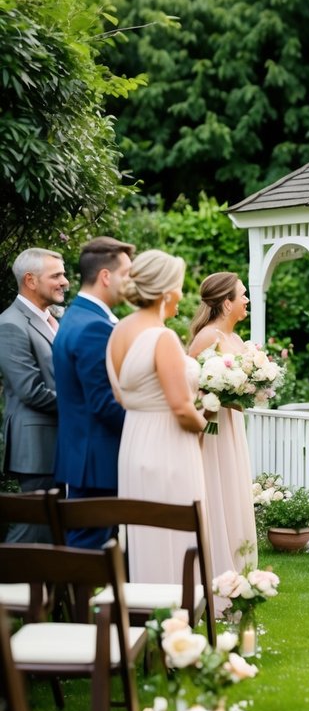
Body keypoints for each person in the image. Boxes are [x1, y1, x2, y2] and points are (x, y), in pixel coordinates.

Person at [106, 250, 209, 583]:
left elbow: (122, 396)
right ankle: (175, 616)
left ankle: (148, 613)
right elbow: (180, 408)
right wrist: (204, 422)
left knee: (143, 531)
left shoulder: (118, 331)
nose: (181, 294)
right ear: (166, 291)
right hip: (168, 446)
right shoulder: (162, 337)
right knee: (175, 531)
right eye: (179, 286)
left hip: (134, 442)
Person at [53, 237, 134, 548]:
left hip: (84, 455)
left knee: (90, 548)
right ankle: (76, 599)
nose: (131, 283)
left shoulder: (77, 317)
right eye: (127, 274)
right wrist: (149, 430)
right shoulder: (93, 328)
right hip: (95, 460)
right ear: (105, 276)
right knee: (87, 550)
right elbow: (103, 403)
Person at [188, 272, 257, 575]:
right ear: (227, 304)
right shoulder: (208, 337)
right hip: (213, 427)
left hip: (232, 424)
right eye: (242, 295)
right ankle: (215, 571)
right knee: (217, 490)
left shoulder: (236, 339)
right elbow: (188, 383)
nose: (246, 300)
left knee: (234, 491)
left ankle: (238, 568)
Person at [0, 247, 68, 541]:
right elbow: (31, 391)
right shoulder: (10, 324)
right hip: (37, 446)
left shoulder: (50, 319)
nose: (64, 281)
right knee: (33, 530)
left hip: (59, 442)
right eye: (56, 275)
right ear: (30, 280)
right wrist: (81, 406)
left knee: (55, 530)